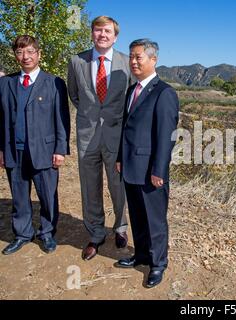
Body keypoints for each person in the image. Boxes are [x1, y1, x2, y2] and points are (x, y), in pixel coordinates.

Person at [115, 39, 179, 288]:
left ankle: (158, 263)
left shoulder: (164, 93)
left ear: (153, 59)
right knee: (138, 216)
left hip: (151, 171)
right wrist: (121, 158)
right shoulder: (133, 90)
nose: (133, 61)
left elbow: (166, 137)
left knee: (155, 220)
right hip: (131, 166)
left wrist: (159, 170)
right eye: (131, 56)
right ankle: (141, 255)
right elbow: (126, 129)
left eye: (138, 57)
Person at [67, 16, 133, 260]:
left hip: (116, 137)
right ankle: (95, 233)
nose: (102, 34)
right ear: (92, 34)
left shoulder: (126, 64)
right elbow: (74, 95)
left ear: (115, 37)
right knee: (89, 186)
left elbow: (131, 101)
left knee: (118, 185)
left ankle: (121, 227)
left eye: (107, 31)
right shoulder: (76, 61)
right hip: (87, 136)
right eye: (98, 30)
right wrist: (90, 115)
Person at [0, 35, 70, 255]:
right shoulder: (5, 83)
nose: (25, 56)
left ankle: (47, 232)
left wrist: (60, 149)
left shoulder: (54, 83)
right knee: (19, 197)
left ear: (39, 54)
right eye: (20, 52)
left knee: (47, 195)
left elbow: (62, 119)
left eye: (30, 51)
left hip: (45, 151)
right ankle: (22, 233)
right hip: (14, 151)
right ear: (15, 55)